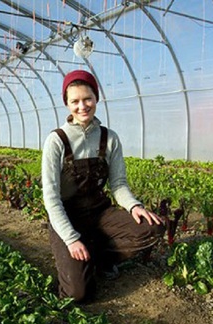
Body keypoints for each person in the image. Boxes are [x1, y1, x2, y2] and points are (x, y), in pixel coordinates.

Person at [41, 69, 165, 302]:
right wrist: (70, 238)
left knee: (152, 227)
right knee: (77, 294)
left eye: (88, 98)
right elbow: (51, 197)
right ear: (67, 104)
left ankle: (100, 257)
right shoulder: (56, 140)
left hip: (99, 212)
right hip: (68, 218)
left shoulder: (109, 138)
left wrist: (133, 206)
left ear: (96, 98)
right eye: (75, 101)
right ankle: (79, 259)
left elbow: (118, 184)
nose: (82, 106)